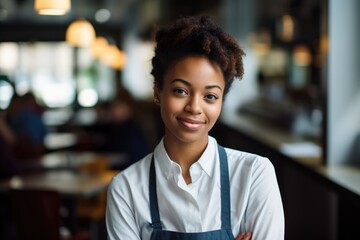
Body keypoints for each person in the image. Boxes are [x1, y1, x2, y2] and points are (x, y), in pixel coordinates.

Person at [106, 16, 284, 240]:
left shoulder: (254, 175)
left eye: (210, 96)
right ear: (158, 92)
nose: (194, 107)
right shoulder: (126, 188)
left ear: (221, 102)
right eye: (181, 91)